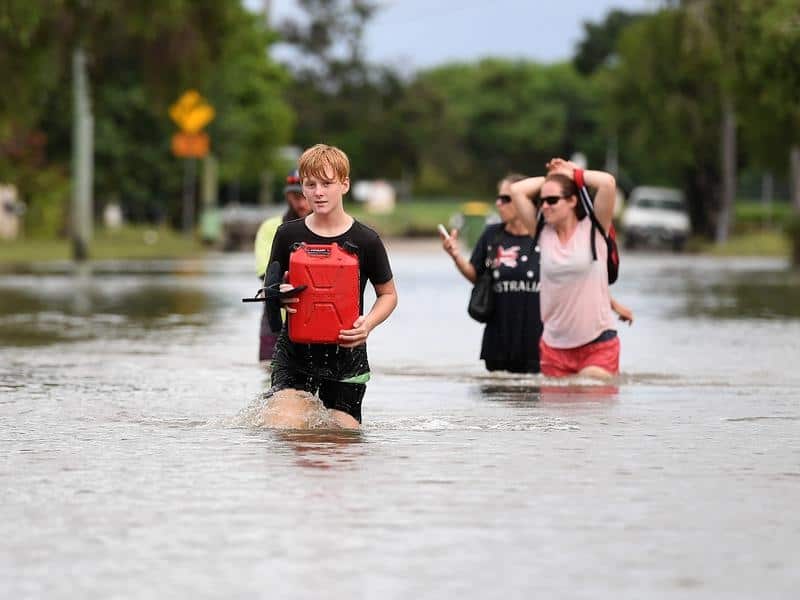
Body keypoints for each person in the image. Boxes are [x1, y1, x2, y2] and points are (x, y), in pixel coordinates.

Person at [265, 144, 398, 428]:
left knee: (341, 443)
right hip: (293, 355)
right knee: (286, 430)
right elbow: (270, 289)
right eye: (310, 184)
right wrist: (280, 296)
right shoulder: (287, 234)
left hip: (347, 359)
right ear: (302, 187)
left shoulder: (367, 240)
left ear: (345, 184)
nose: (318, 192)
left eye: (327, 183)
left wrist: (368, 324)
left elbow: (388, 294)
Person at [509, 158, 622, 380]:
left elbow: (607, 183)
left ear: (571, 200)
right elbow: (516, 190)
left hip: (597, 343)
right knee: (557, 414)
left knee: (589, 388)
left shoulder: (595, 228)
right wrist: (553, 177)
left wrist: (572, 173)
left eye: (552, 200)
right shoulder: (542, 233)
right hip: (554, 347)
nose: (544, 206)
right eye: (542, 201)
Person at [440, 174, 543, 373]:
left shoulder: (545, 235)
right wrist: (455, 256)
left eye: (506, 198)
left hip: (537, 339)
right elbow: (477, 276)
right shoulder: (492, 234)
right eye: (498, 198)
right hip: (499, 338)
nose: (498, 204)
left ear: (526, 201)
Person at [253, 169, 312, 362]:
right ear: (288, 196)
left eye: (305, 196)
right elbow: (266, 273)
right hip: (275, 319)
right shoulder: (271, 227)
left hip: (313, 317)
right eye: (297, 197)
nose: (302, 203)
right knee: (267, 374)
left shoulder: (327, 230)